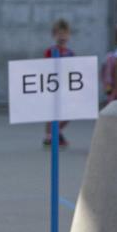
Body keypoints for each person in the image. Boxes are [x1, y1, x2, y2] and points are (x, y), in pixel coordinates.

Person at [43, 19, 74, 147]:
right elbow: (45, 67)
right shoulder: (50, 51)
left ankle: (56, 132)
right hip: (53, 87)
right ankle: (49, 136)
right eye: (59, 34)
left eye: (65, 34)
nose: (62, 37)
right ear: (54, 35)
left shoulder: (70, 53)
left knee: (69, 113)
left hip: (66, 87)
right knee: (52, 113)